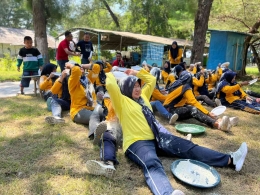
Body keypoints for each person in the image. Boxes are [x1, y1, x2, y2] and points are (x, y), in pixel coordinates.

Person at [106, 68, 247, 195]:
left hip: (157, 137)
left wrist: (135, 73)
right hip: (137, 142)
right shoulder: (121, 102)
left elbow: (152, 79)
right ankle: (167, 193)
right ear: (125, 88)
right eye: (133, 86)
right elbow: (111, 85)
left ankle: (231, 160)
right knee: (152, 163)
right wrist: (114, 70)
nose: (137, 89)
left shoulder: (142, 97)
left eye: (138, 85)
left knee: (189, 147)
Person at [164, 65, 237, 131]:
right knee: (193, 109)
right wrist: (208, 113)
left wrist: (207, 112)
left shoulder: (176, 84)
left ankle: (220, 120)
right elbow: (194, 102)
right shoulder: (185, 87)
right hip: (171, 112)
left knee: (194, 108)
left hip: (169, 109)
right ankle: (218, 124)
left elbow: (184, 101)